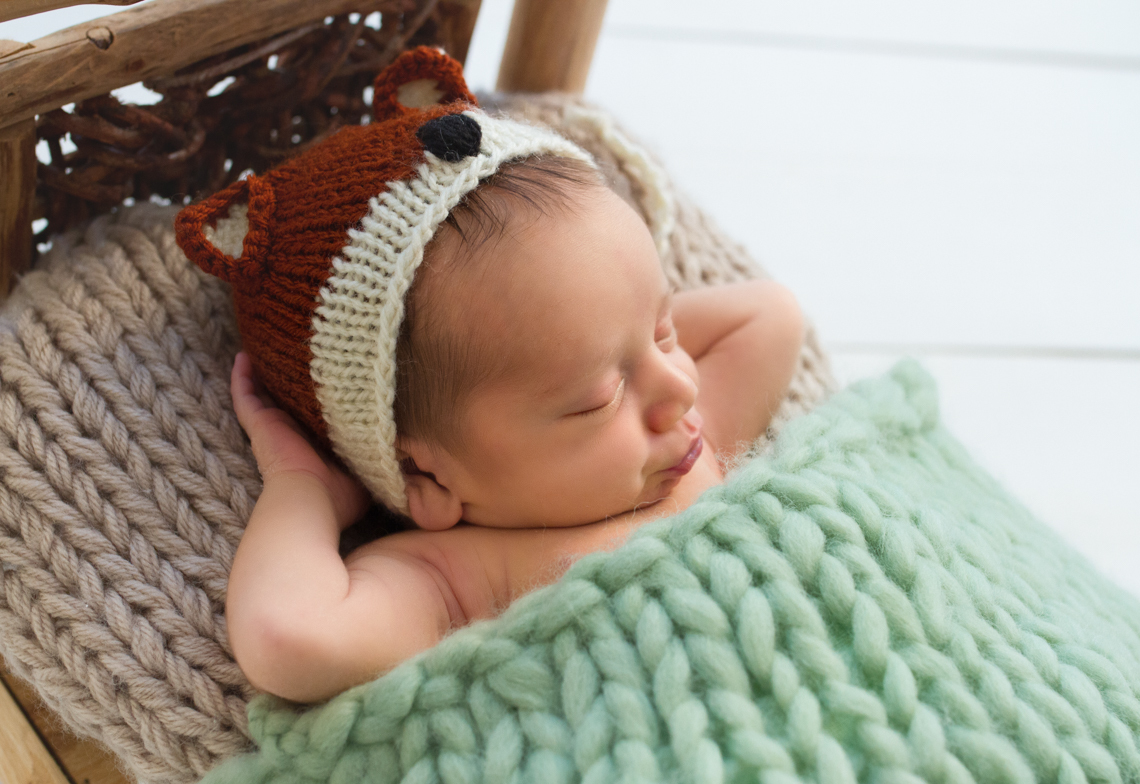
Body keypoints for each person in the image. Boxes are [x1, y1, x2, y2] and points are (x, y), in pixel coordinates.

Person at [175, 47, 803, 704]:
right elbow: (288, 639)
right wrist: (302, 487)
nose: (681, 388)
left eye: (665, 332)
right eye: (599, 399)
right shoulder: (459, 578)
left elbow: (769, 315)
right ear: (431, 479)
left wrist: (622, 334)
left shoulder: (690, 447)